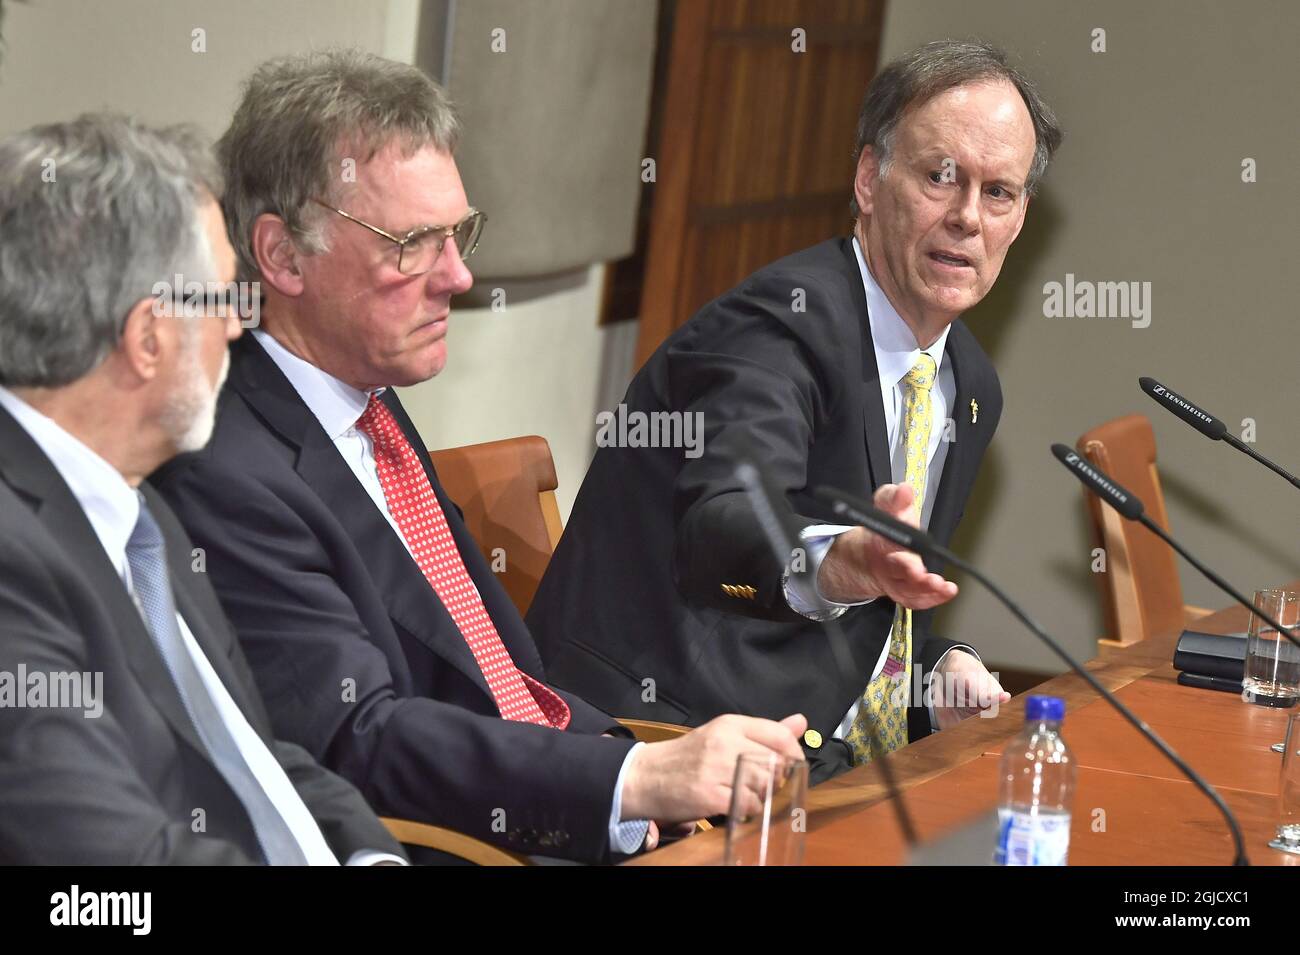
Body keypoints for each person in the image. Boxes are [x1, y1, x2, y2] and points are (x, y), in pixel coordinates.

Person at [151, 50, 806, 864]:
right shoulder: (222, 464)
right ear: (282, 256)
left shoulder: (368, 400)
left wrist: (646, 773)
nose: (458, 276)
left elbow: (496, 678)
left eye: (457, 233)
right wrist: (633, 779)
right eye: (412, 243)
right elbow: (357, 739)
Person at [528, 40, 1063, 782]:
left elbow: (879, 612)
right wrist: (839, 562)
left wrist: (938, 671)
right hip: (664, 739)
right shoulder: (774, 330)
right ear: (870, 180)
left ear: (1020, 217)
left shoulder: (967, 384)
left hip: (821, 751)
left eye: (997, 192)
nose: (967, 217)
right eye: (940, 176)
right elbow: (722, 528)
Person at [0, 114, 405, 865]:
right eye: (224, 297)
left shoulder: (141, 508)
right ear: (148, 337)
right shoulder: (12, 563)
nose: (236, 329)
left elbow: (248, 749)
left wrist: (371, 857)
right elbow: (110, 868)